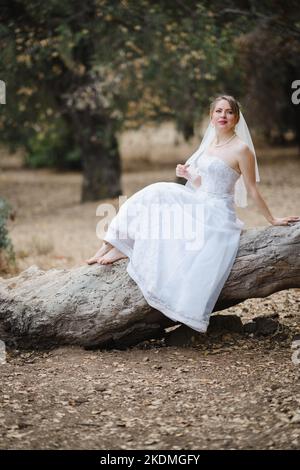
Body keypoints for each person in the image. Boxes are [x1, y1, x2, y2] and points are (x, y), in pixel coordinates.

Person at [86, 95, 300, 332]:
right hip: (201, 200)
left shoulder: (242, 150)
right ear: (211, 116)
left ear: (236, 118)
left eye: (229, 112)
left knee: (159, 194)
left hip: (218, 213)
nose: (223, 116)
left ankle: (124, 248)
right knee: (154, 195)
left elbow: (251, 190)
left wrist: (272, 219)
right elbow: (205, 184)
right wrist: (190, 177)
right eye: (218, 111)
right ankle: (110, 245)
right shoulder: (210, 145)